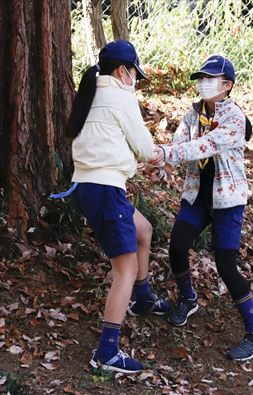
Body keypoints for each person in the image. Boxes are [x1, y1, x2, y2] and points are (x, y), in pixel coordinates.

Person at [60, 40, 171, 374]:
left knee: (144, 231)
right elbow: (144, 146)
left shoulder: (91, 94)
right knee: (124, 270)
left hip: (86, 187)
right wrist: (163, 158)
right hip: (106, 191)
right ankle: (106, 352)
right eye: (136, 73)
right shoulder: (121, 96)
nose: (135, 79)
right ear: (124, 71)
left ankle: (144, 297)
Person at [150, 55, 253, 361]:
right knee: (177, 246)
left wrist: (165, 152)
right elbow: (180, 147)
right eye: (200, 77)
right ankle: (188, 299)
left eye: (210, 78)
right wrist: (164, 166)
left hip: (227, 200)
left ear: (227, 85)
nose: (203, 83)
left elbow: (206, 146)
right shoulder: (192, 115)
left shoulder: (234, 119)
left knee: (226, 266)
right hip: (198, 196)